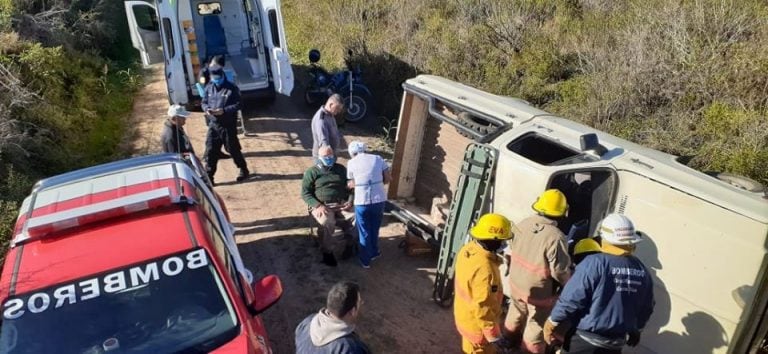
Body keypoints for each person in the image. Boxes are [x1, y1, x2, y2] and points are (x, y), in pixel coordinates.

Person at [543, 214, 655, 353]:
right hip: (614, 345)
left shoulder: (595, 263)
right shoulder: (642, 270)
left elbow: (573, 297)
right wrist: (636, 328)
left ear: (604, 238)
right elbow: (647, 307)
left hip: (583, 342)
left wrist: (553, 321)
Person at [502, 189, 572, 354]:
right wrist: (569, 285)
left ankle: (507, 342)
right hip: (539, 293)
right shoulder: (556, 237)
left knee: (516, 312)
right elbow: (560, 271)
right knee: (536, 324)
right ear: (561, 213)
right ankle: (529, 350)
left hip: (516, 284)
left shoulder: (524, 223)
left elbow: (512, 250)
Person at [454, 213, 520, 354]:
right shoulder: (486, 271)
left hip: (465, 318)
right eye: (502, 241)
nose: (504, 244)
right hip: (478, 332)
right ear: (493, 241)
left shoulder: (469, 249)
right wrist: (494, 337)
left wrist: (499, 258)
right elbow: (483, 308)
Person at [302, 146, 356, 267]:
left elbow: (351, 187)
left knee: (355, 217)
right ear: (319, 157)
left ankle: (350, 245)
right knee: (327, 222)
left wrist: (350, 201)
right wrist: (318, 205)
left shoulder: (341, 169)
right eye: (326, 157)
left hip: (341, 203)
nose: (329, 158)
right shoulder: (312, 172)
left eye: (331, 156)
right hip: (323, 205)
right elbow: (305, 193)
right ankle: (327, 252)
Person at [202, 62, 249, 184]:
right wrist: (206, 109)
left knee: (232, 149)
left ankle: (243, 169)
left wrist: (224, 111)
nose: (216, 80)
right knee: (211, 149)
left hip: (228, 125)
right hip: (213, 124)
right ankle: (209, 176)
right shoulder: (209, 87)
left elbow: (239, 104)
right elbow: (204, 102)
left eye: (217, 78)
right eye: (214, 78)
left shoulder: (231, 88)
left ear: (222, 76)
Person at [346, 141, 391, 268]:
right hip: (379, 200)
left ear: (351, 153)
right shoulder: (378, 158)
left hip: (362, 202)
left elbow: (351, 184)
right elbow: (387, 178)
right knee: (375, 228)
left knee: (364, 231)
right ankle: (374, 252)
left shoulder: (351, 163)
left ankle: (365, 260)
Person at [295, 281, 371, 353]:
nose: (362, 304)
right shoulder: (350, 348)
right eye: (360, 302)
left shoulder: (306, 322)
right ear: (352, 311)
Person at [197, 55, 231, 160]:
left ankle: (216, 152)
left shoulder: (219, 71)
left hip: (219, 103)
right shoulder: (204, 72)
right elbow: (202, 87)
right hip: (211, 105)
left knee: (217, 132)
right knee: (213, 132)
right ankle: (208, 155)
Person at [311, 94, 345, 158]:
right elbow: (324, 143)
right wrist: (329, 159)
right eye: (338, 108)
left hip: (331, 154)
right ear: (331, 105)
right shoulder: (321, 120)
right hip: (324, 158)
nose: (339, 111)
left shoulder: (330, 115)